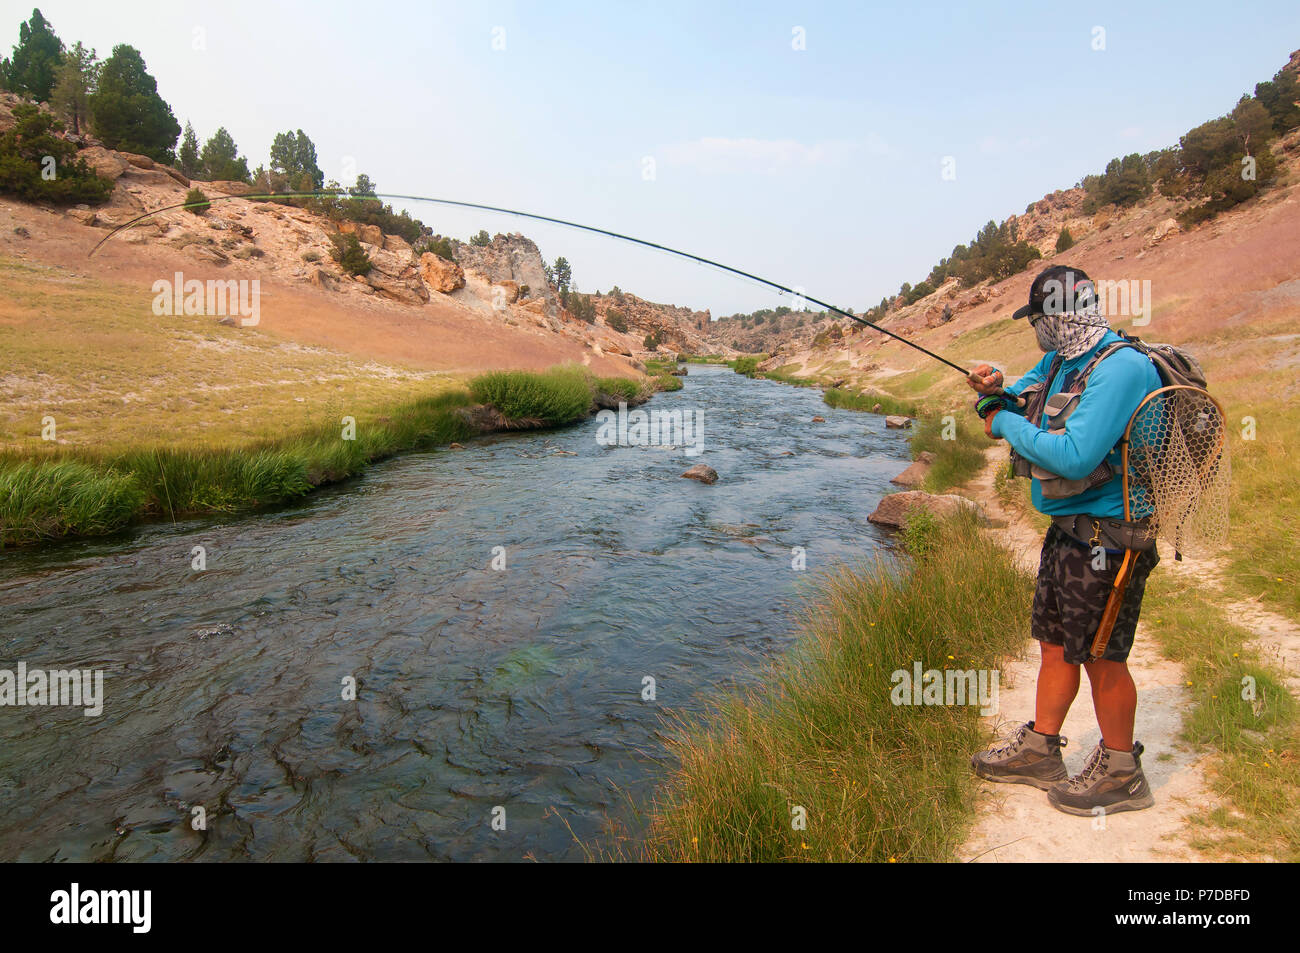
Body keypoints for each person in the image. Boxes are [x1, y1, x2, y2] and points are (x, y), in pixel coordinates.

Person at [966, 264, 1163, 816]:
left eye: (1039, 320)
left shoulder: (1120, 368)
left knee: (1101, 656)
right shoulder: (1062, 361)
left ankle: (1123, 772)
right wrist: (994, 390)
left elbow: (1075, 454)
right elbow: (1019, 393)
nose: (1037, 331)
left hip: (1110, 540)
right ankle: (1040, 752)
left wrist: (1002, 424)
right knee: (1055, 645)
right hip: (1067, 533)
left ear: (1059, 315)